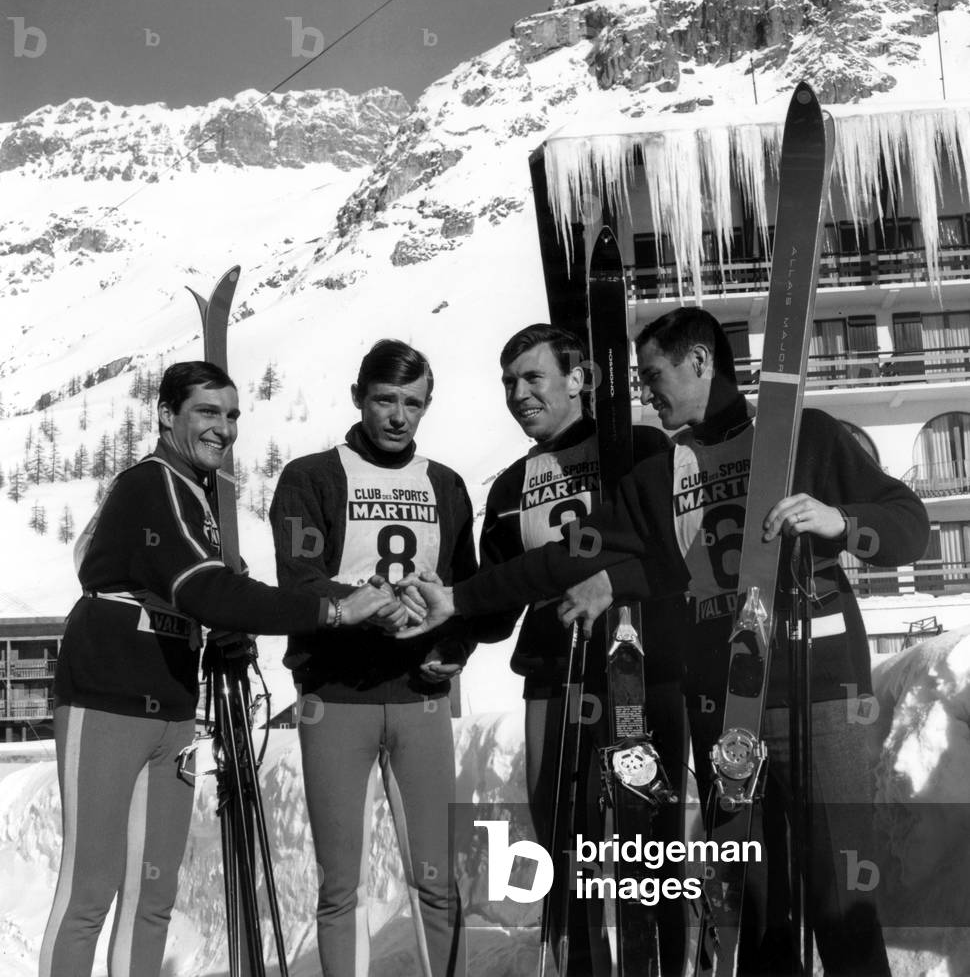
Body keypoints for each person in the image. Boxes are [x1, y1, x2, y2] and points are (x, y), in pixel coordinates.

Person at [397, 308, 930, 976]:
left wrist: (840, 520)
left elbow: (911, 528)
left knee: (840, 893)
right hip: (725, 704)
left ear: (701, 360)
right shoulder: (658, 476)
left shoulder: (804, 438)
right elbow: (569, 554)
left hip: (821, 691)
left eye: (654, 375)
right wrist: (465, 597)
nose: (645, 393)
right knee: (754, 902)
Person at [40, 361, 398, 977]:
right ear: (165, 416)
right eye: (208, 412)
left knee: (153, 898)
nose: (225, 428)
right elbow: (206, 590)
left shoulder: (194, 491)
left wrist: (228, 622)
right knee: (89, 891)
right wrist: (332, 610)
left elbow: (211, 592)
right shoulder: (154, 483)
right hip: (107, 694)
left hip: (172, 700)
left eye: (232, 415)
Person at [479, 322, 686, 975]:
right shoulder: (510, 487)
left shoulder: (638, 445)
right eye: (509, 382)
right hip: (552, 670)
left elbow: (679, 552)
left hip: (638, 667)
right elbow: (494, 602)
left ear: (577, 378)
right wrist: (434, 624)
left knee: (645, 839)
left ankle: (660, 961)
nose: (518, 394)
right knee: (562, 836)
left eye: (532, 377)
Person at [269, 339, 477, 977]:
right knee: (341, 885)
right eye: (385, 399)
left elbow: (466, 589)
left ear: (427, 407)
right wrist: (365, 604)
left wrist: (454, 649)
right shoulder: (311, 476)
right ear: (358, 397)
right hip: (336, 697)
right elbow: (298, 580)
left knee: (439, 879)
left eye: (413, 404)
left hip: (419, 697)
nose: (398, 416)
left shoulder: (445, 484)